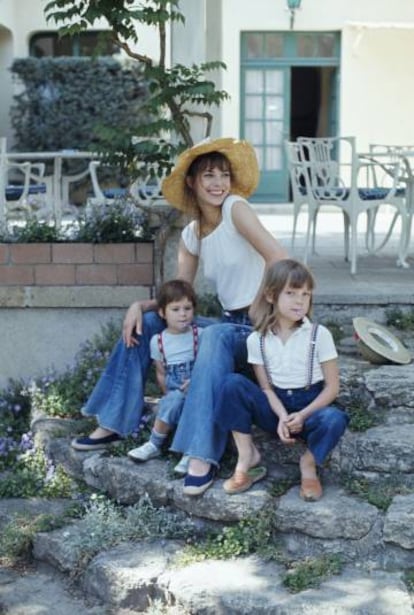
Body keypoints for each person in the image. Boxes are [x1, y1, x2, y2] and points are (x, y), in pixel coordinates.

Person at [71, 137, 287, 496]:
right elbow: (178, 299)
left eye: (223, 175)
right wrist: (139, 307)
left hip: (261, 324)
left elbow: (278, 258)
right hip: (230, 324)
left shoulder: (236, 208)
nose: (218, 184)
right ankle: (113, 421)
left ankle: (201, 452)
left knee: (216, 337)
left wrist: (262, 305)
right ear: (192, 182)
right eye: (208, 176)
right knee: (151, 324)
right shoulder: (191, 235)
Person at [215, 259, 349, 501]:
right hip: (275, 406)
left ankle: (308, 465)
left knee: (334, 418)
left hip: (310, 407)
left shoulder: (319, 335)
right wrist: (281, 417)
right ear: (270, 295)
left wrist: (303, 415)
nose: (300, 300)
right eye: (291, 293)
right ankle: (247, 458)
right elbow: (265, 388)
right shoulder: (257, 340)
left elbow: (332, 387)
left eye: (305, 294)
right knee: (230, 384)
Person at [127, 279, 202, 475]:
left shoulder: (199, 334)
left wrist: (196, 381)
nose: (183, 314)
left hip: (197, 385)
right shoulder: (158, 341)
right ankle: (154, 444)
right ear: (162, 313)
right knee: (172, 401)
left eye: (187, 308)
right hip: (175, 388)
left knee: (195, 408)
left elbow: (206, 364)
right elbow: (161, 372)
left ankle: (190, 452)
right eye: (175, 309)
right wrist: (167, 393)